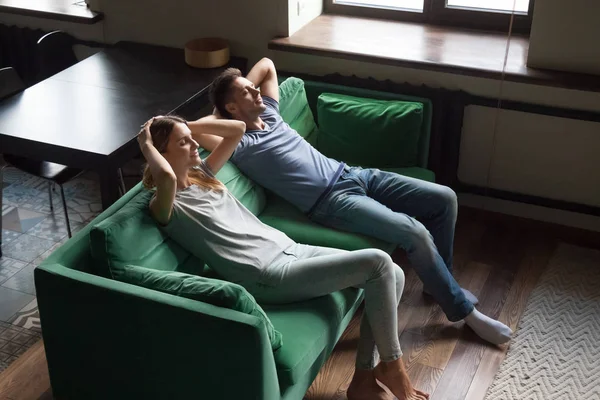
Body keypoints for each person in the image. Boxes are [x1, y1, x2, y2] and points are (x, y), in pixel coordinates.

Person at [198, 58, 513, 346]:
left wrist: (240, 84)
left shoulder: (268, 111)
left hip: (353, 174)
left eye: (253, 89)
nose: (255, 91)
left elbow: (266, 65)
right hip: (333, 202)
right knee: (414, 232)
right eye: (246, 93)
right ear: (232, 109)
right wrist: (222, 115)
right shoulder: (239, 143)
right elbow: (193, 130)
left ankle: (438, 281)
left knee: (445, 198)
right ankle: (464, 313)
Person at [138, 115, 429, 400]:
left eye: (191, 140)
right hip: (267, 274)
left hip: (292, 250)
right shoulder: (166, 204)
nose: (193, 144)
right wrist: (146, 142)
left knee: (395, 272)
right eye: (183, 143)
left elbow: (237, 129)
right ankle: (393, 365)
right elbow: (164, 176)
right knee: (378, 263)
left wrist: (183, 126)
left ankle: (364, 377)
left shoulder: (203, 176)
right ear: (161, 153)